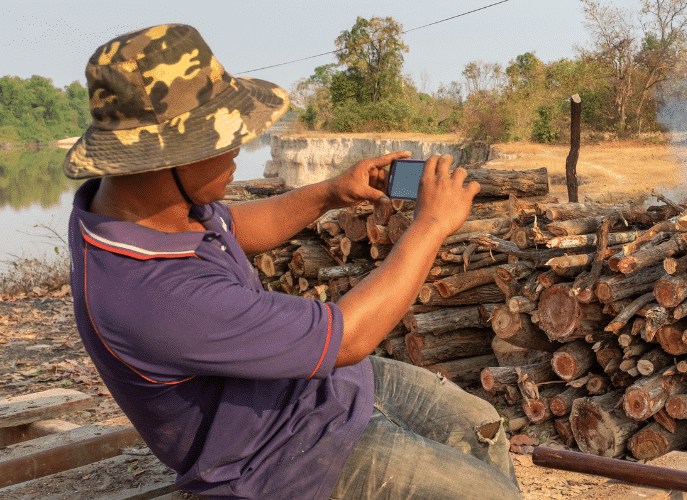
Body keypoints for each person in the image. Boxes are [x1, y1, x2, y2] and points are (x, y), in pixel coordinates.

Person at [63, 24, 522, 500]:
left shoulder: (144, 209)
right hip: (276, 457)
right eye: (222, 139)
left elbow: (234, 227)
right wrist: (430, 225)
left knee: (479, 423)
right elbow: (350, 337)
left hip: (308, 389)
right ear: (164, 158)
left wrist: (328, 193)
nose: (238, 149)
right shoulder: (152, 295)